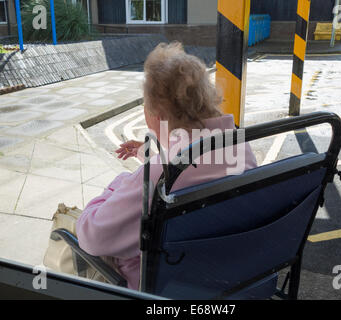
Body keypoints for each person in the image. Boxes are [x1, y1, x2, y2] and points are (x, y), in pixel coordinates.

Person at [76, 42, 257, 291]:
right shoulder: (238, 146)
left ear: (158, 114)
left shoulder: (160, 176)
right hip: (231, 274)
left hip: (167, 285)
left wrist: (118, 183)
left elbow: (93, 235)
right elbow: (194, 159)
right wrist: (150, 152)